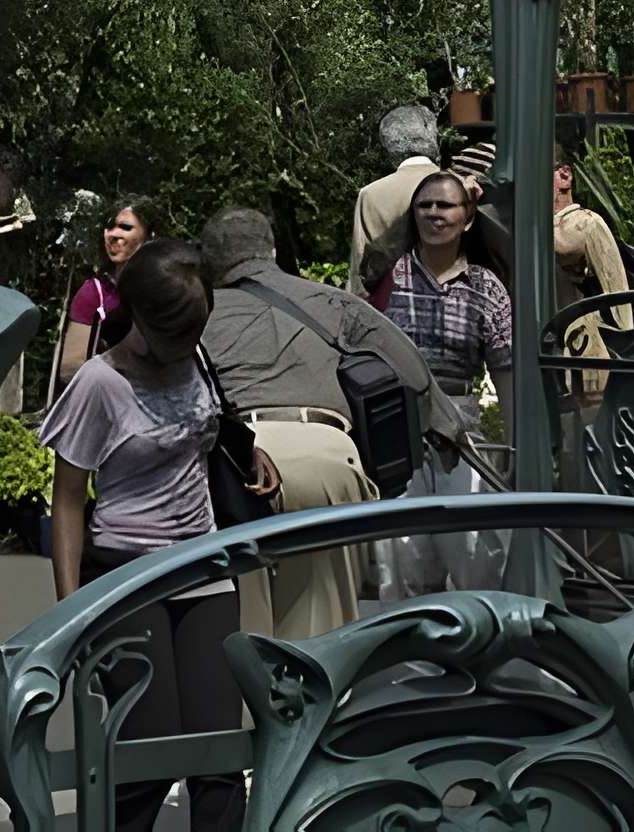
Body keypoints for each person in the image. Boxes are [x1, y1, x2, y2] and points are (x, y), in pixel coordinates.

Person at [40, 240, 257, 832]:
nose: (186, 348)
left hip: (203, 565)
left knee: (217, 751)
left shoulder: (197, 358)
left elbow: (212, 434)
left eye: (196, 333)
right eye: (175, 335)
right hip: (125, 573)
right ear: (138, 318)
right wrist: (72, 610)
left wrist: (253, 456)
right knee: (150, 746)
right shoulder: (98, 384)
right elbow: (66, 502)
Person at [196, 205, 438, 640]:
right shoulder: (332, 302)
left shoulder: (199, 312)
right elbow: (415, 376)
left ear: (209, 261)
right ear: (270, 250)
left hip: (239, 464)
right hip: (327, 457)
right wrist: (449, 430)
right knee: (320, 630)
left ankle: (249, 702)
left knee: (243, 625)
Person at [362, 168, 516, 592]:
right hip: (398, 425)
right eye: (424, 206)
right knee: (405, 555)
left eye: (445, 205)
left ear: (467, 218)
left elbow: (505, 373)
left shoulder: (488, 288)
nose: (433, 214)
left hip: (460, 427)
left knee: (475, 554)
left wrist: (517, 449)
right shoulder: (388, 278)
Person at [551, 160, 633, 412]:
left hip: (584, 343)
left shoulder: (587, 223)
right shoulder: (526, 227)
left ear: (565, 176)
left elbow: (617, 292)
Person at [53, 196, 152, 393]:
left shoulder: (165, 287)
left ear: (149, 235)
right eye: (109, 227)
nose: (113, 235)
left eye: (125, 227)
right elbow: (70, 368)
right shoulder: (93, 293)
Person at [348, 104, 447, 269]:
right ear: (433, 137)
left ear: (388, 144)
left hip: (391, 292)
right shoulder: (457, 184)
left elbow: (360, 265)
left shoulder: (370, 194)